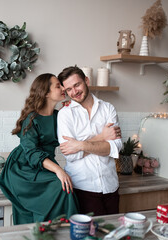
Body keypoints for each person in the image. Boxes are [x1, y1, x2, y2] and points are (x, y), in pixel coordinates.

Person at [0, 73, 79, 225]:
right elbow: (32, 153)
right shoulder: (31, 118)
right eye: (58, 86)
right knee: (61, 186)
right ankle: (49, 231)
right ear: (46, 92)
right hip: (23, 168)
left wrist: (71, 109)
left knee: (65, 187)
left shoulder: (59, 116)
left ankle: (61, 231)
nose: (63, 88)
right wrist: (59, 170)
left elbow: (76, 135)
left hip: (44, 165)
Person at [57, 65, 122, 216]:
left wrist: (79, 145)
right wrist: (102, 138)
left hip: (111, 186)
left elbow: (115, 147)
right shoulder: (65, 115)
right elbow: (70, 155)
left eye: (77, 85)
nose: (74, 92)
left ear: (86, 80)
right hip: (82, 188)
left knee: (112, 235)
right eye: (69, 90)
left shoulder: (108, 109)